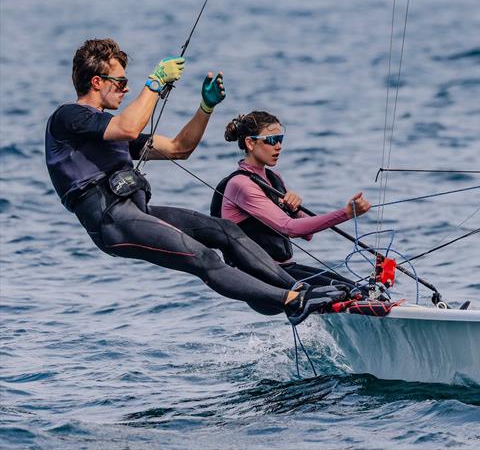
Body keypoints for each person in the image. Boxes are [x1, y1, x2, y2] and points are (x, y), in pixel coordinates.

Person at [45, 38, 347, 325]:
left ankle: (301, 290)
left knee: (226, 231)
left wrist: (206, 107)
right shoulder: (68, 117)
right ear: (96, 82)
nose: (126, 89)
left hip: (136, 212)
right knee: (202, 257)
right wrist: (155, 81)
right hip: (111, 222)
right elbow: (127, 126)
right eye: (120, 82)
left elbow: (180, 148)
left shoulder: (112, 131)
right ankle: (292, 300)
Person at [211, 111, 371, 288]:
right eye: (271, 140)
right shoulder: (240, 184)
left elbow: (307, 235)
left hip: (285, 270)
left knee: (360, 289)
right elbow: (289, 228)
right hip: (259, 278)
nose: (278, 146)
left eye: (280, 139)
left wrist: (295, 209)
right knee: (348, 291)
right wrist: (346, 213)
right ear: (250, 143)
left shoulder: (274, 178)